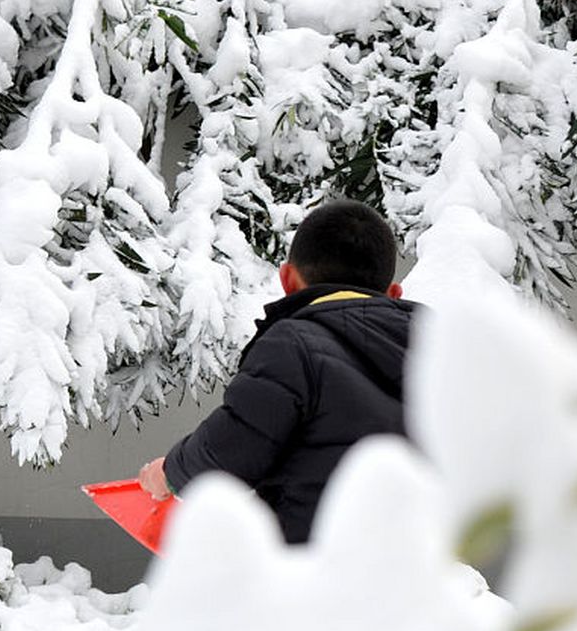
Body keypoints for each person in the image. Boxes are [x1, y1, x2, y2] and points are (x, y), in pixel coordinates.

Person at [139, 199, 416, 543]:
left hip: (313, 572)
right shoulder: (441, 354)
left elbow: (231, 450)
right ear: (393, 294)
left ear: (287, 279)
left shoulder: (293, 345)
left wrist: (170, 473)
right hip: (418, 574)